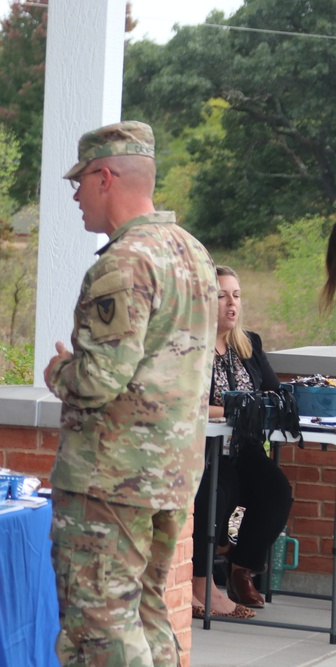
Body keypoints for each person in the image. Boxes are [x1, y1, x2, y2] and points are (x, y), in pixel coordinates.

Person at [43, 121, 218, 665]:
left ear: (105, 176)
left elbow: (98, 380)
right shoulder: (193, 254)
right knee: (145, 613)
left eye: (79, 181)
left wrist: (58, 371)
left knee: (100, 627)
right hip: (172, 474)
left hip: (111, 478)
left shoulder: (125, 261)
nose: (74, 195)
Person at [191, 266, 292, 617]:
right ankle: (202, 584)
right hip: (207, 451)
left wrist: (240, 409)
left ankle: (241, 567)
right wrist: (231, 409)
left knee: (275, 490)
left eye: (236, 295)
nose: (231, 303)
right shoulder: (192, 347)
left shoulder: (249, 344)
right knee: (219, 489)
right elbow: (190, 402)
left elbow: (274, 394)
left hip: (244, 448)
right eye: (221, 295)